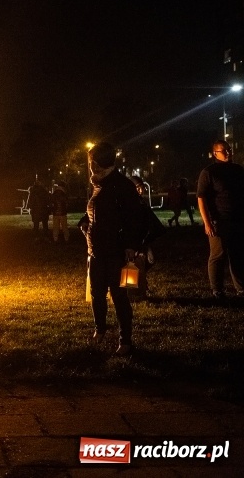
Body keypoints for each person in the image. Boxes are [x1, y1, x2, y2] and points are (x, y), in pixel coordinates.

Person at [78, 142, 145, 355]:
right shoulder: (98, 183)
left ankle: (125, 341)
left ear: (99, 162)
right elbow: (94, 211)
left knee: (119, 296)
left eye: (91, 162)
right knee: (97, 293)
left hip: (116, 251)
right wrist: (84, 223)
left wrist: (130, 245)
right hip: (95, 249)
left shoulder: (121, 185)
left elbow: (135, 219)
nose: (90, 166)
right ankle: (100, 330)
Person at [196, 139, 244, 300]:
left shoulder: (238, 170)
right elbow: (201, 198)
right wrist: (207, 222)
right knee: (218, 255)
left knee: (237, 254)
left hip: (237, 219)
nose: (229, 152)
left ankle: (241, 288)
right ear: (215, 153)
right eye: (224, 150)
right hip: (219, 221)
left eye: (229, 149)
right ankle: (217, 290)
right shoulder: (209, 172)